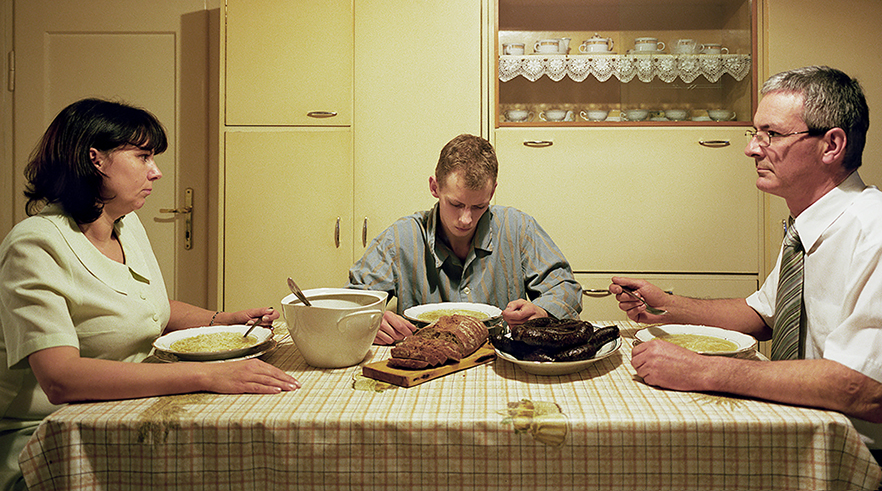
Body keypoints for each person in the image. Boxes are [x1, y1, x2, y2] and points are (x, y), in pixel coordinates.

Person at [610, 66, 882, 489]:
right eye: (755, 133)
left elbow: (866, 389)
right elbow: (763, 315)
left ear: (831, 145)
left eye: (771, 134)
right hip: (808, 434)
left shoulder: (879, 230)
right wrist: (667, 306)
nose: (752, 148)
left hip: (877, 466)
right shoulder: (807, 227)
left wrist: (703, 371)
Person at [0, 99, 300, 491]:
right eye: (143, 157)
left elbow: (143, 307)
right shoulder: (35, 245)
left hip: (123, 415)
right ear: (95, 159)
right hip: (50, 445)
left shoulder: (125, 225)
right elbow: (61, 378)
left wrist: (223, 320)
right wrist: (207, 374)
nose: (155, 172)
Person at [348, 133, 583, 344]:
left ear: (492, 192)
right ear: (435, 187)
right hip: (425, 367)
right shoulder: (400, 239)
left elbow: (565, 288)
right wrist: (368, 319)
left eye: (479, 206)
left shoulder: (518, 228)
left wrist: (542, 312)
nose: (466, 220)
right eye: (456, 204)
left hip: (499, 365)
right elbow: (349, 301)